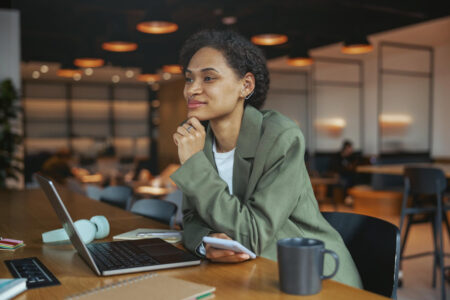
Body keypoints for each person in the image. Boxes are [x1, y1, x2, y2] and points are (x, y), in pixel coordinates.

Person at [170, 29, 362, 288]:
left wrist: (194, 165)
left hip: (310, 278)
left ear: (245, 86)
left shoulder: (280, 137)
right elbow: (192, 219)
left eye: (208, 78)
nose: (192, 89)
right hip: (247, 276)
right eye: (188, 79)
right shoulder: (197, 138)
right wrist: (206, 244)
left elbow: (252, 235)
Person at [332, 140, 359, 204]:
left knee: (353, 178)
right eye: (350, 148)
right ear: (345, 148)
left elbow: (353, 167)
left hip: (349, 175)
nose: (351, 150)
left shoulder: (352, 157)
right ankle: (347, 197)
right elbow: (335, 168)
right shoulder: (337, 156)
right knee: (346, 181)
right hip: (340, 176)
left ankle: (349, 197)